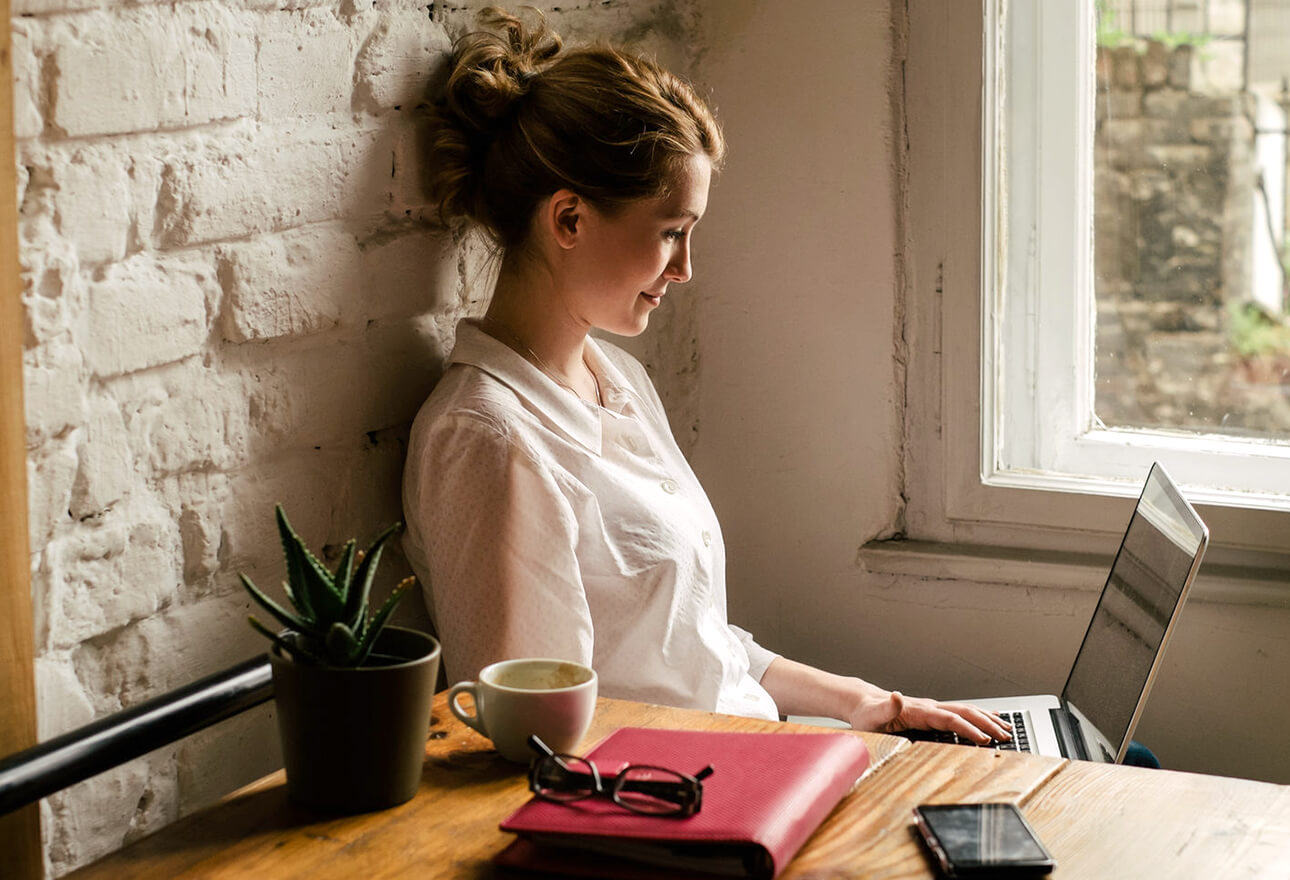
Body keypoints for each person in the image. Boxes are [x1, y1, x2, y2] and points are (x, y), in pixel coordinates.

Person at [402, 7, 1011, 744]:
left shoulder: (616, 379)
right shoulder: (488, 437)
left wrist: (862, 702)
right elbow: (531, 738)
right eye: (670, 234)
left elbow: (692, 647)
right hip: (687, 801)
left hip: (755, 756)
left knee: (1115, 757)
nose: (687, 269)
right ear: (568, 220)